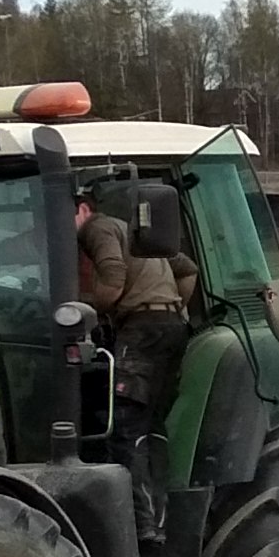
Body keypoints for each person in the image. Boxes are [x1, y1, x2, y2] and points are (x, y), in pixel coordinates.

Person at [77, 183, 195, 438]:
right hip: (172, 326)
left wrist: (90, 312)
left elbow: (114, 277)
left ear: (83, 209)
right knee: (152, 417)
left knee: (125, 417)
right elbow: (188, 269)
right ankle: (155, 476)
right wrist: (171, 306)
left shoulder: (96, 228)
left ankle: (129, 477)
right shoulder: (128, 230)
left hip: (141, 329)